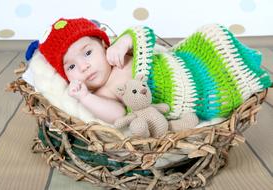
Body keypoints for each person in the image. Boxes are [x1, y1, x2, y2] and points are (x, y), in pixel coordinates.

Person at [27, 17, 272, 127]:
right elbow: (117, 114)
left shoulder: (117, 54)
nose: (83, 66)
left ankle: (246, 59)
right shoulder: (102, 91)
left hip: (181, 62)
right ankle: (248, 78)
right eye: (71, 66)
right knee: (218, 97)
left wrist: (124, 42)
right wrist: (85, 97)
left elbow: (143, 33)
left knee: (212, 32)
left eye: (87, 52)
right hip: (186, 93)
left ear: (103, 45)